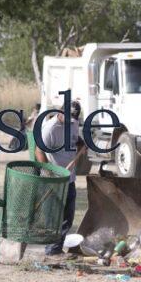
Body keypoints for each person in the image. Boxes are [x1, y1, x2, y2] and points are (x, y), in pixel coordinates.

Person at [35, 101, 83, 257]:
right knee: (55, 217)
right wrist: (50, 174)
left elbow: (77, 140)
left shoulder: (73, 123)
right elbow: (39, 151)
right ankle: (52, 251)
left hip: (69, 179)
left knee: (67, 218)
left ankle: (56, 250)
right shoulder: (50, 128)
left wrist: (83, 144)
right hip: (54, 179)